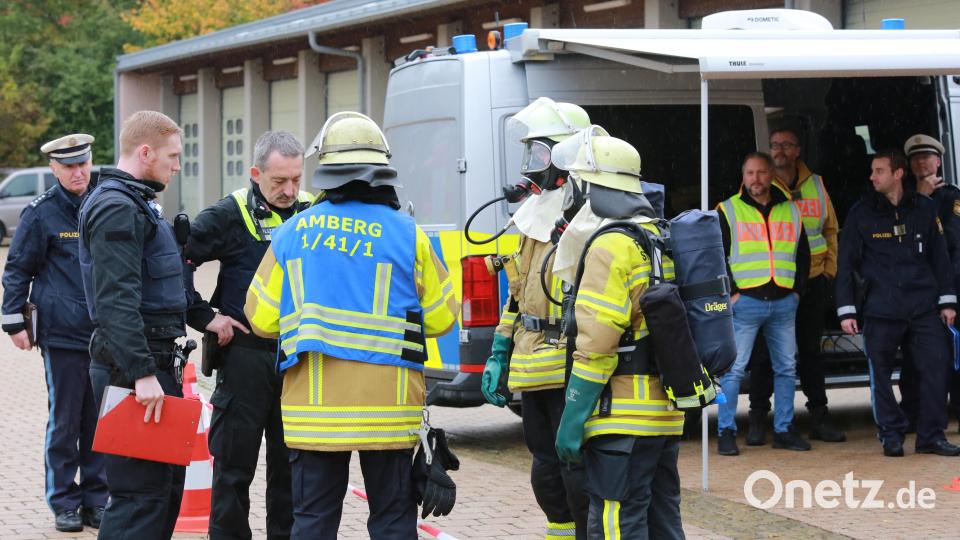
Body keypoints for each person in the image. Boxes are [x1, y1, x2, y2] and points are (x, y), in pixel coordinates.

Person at [243, 112, 459, 539]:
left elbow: (260, 318)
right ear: (382, 169)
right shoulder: (408, 234)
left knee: (313, 523)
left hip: (314, 412)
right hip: (389, 411)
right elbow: (441, 318)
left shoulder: (293, 232)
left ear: (326, 170)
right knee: (394, 521)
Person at [553, 130, 686, 539]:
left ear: (591, 185)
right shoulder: (658, 237)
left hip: (621, 419)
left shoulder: (611, 244)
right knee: (663, 525)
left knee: (615, 525)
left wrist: (573, 418)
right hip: (663, 415)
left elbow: (597, 344)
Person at [185, 131, 313, 539]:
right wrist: (205, 316)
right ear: (256, 173)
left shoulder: (313, 212)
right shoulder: (229, 213)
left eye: (296, 179)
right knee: (232, 469)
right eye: (279, 181)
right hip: (244, 358)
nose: (289, 190)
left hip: (298, 361)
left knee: (291, 471)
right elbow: (173, 261)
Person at [79, 110, 193, 539]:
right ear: (145, 152)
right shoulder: (116, 208)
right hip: (132, 372)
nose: (176, 165)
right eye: (172, 155)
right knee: (140, 498)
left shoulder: (135, 202)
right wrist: (142, 374)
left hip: (151, 364)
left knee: (162, 491)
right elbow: (115, 303)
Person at [480, 97, 589, 539]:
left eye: (540, 154)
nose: (531, 166)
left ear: (566, 155)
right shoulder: (534, 213)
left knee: (575, 467)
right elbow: (520, 293)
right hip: (531, 366)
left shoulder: (586, 214)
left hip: (569, 365)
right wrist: (499, 350)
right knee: (545, 468)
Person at [1, 134, 107, 532]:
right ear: (54, 169)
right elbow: (17, 269)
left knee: (98, 420)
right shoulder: (40, 214)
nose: (78, 172)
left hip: (103, 336)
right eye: (69, 166)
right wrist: (13, 320)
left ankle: (97, 497)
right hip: (62, 335)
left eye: (83, 163)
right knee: (64, 421)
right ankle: (64, 501)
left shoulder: (105, 203)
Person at [836, 149, 960, 457]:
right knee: (879, 372)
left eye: (879, 171)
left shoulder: (925, 208)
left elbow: (940, 258)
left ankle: (931, 435)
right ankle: (890, 433)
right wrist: (846, 308)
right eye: (872, 171)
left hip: (924, 306)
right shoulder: (861, 212)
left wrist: (948, 301)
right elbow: (845, 263)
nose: (872, 176)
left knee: (936, 367)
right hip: (881, 307)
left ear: (898, 174)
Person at [746, 128, 845, 445]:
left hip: (812, 281)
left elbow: (831, 229)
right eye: (774, 145)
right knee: (764, 356)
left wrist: (830, 269)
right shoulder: (761, 184)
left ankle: (819, 417)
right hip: (773, 283)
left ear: (798, 150)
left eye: (786, 145)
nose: (779, 151)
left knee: (811, 353)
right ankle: (758, 419)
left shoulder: (815, 183)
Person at [715, 152, 811, 456]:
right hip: (746, 302)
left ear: (771, 175)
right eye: (750, 173)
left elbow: (803, 254)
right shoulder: (728, 210)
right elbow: (716, 255)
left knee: (785, 369)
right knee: (733, 371)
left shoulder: (792, 210)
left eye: (761, 173)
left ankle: (784, 429)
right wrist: (731, 292)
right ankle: (725, 431)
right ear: (743, 177)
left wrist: (798, 291)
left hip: (783, 301)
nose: (755, 179)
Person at [900, 134, 960, 432]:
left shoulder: (952, 196)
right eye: (916, 158)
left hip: (948, 287)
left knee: (953, 355)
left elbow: (948, 241)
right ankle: (911, 415)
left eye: (927, 157)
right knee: (913, 358)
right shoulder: (902, 196)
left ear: (939, 161)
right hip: (914, 288)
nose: (922, 162)